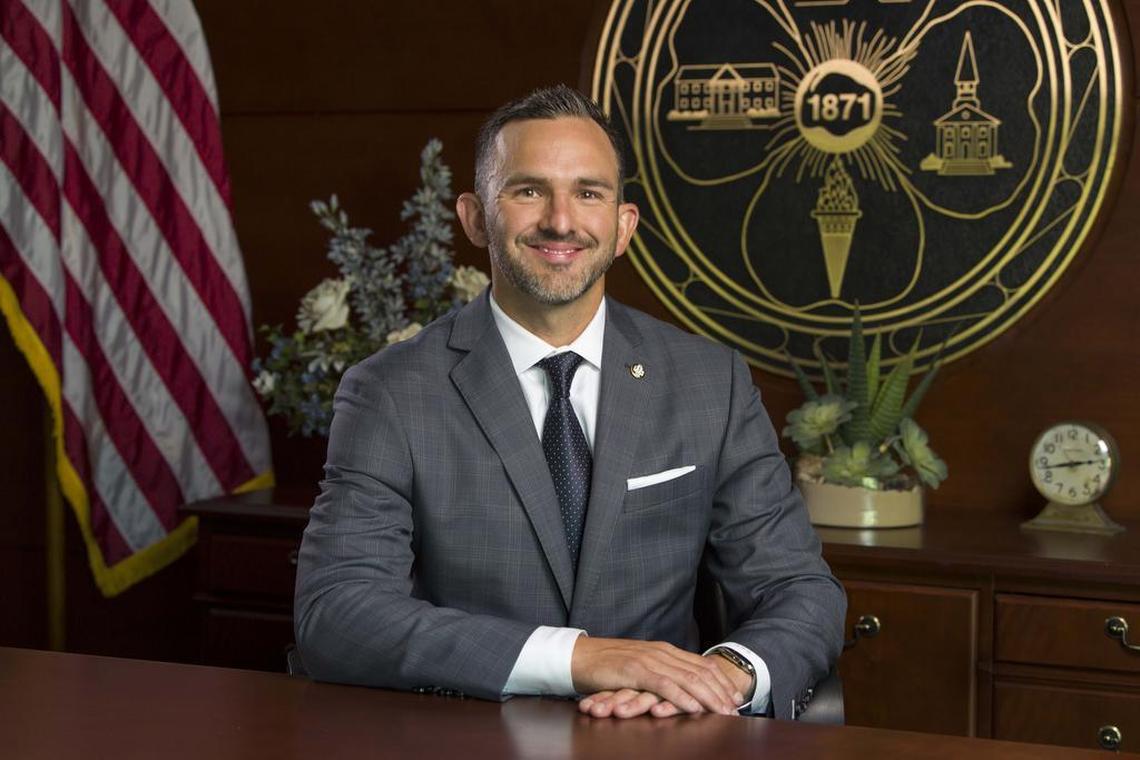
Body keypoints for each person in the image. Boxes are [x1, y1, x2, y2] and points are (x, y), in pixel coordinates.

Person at [294, 84, 845, 720]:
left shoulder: (708, 382)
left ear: (623, 225)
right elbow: (336, 611)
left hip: (664, 734)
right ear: (475, 218)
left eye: (589, 192)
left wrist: (727, 675)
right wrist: (579, 658)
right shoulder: (390, 392)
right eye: (528, 190)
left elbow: (799, 588)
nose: (561, 220)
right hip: (472, 736)